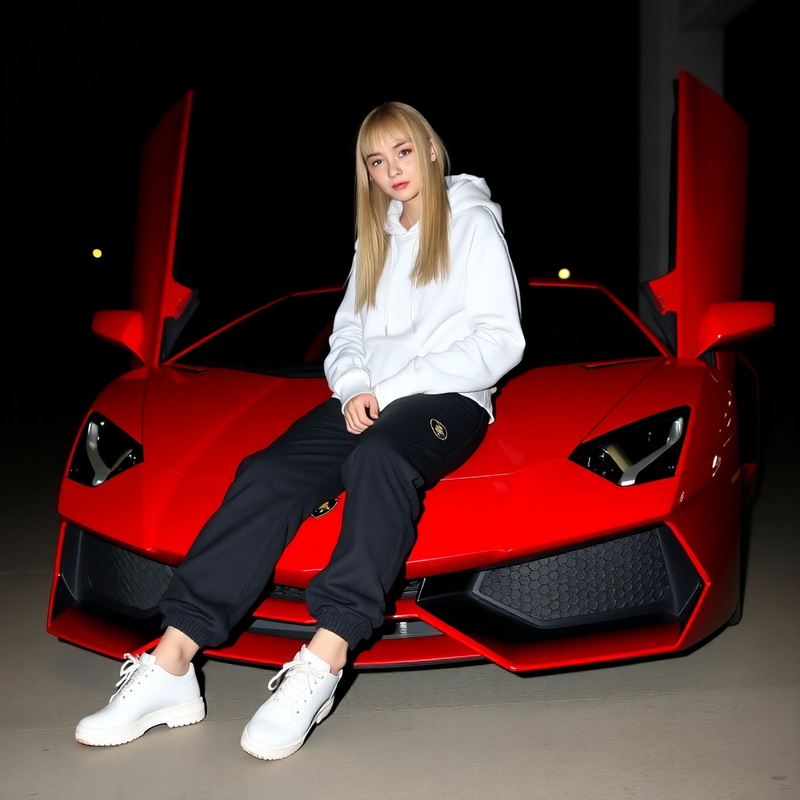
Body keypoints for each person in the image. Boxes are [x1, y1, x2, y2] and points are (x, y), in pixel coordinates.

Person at [75, 100, 526, 760]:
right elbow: (346, 333)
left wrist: (391, 390)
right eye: (377, 160)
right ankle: (172, 665)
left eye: (403, 152)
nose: (392, 170)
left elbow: (500, 339)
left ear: (432, 150)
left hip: (448, 398)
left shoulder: (474, 224)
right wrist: (353, 387)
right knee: (265, 473)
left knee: (378, 459)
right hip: (368, 397)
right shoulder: (374, 236)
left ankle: (323, 657)